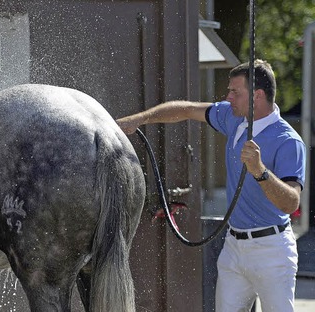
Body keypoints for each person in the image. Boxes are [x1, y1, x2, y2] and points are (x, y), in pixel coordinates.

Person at [116, 59, 306, 312]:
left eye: (235, 92)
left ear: (257, 95)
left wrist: (260, 171)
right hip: (233, 247)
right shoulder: (233, 117)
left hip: (272, 251)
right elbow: (186, 109)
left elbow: (291, 202)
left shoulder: (288, 141)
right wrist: (138, 120)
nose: (228, 97)